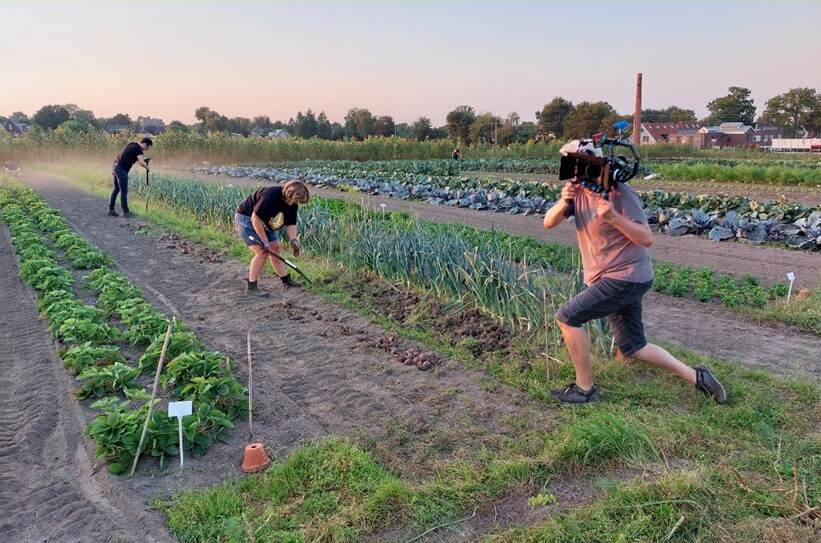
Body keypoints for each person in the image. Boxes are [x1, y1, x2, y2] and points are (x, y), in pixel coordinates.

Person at [542, 140, 727, 405]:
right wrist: (564, 201)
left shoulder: (620, 193)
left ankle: (585, 390)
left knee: (568, 317)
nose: (574, 170)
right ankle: (699, 377)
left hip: (624, 276)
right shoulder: (578, 192)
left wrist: (613, 217)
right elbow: (548, 223)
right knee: (634, 347)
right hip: (618, 277)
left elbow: (646, 238)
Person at [235, 181, 310, 294]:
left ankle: (286, 280)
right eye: (296, 200)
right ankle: (252, 286)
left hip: (264, 221)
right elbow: (255, 219)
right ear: (289, 194)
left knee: (275, 249)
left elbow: (291, 224)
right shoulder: (270, 196)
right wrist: (264, 240)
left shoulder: (292, 204)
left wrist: (294, 241)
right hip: (246, 219)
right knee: (262, 252)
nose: (296, 203)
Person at [109, 137, 152, 217]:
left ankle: (111, 210)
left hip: (115, 166)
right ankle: (126, 212)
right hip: (122, 169)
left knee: (116, 189)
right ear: (145, 144)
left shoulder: (132, 144)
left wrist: (144, 160)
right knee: (124, 191)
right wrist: (147, 167)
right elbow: (141, 163)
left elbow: (131, 156)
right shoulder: (138, 149)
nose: (146, 150)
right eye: (147, 148)